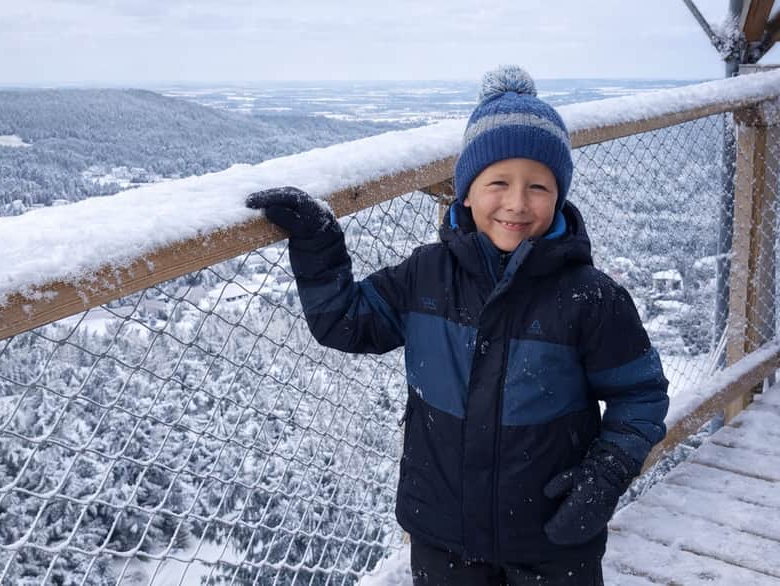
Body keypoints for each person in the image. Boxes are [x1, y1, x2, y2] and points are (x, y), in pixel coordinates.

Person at [246, 65, 669, 586]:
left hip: (552, 535)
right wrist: (317, 247)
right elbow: (346, 321)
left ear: (559, 195)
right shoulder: (425, 276)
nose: (517, 202)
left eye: (538, 185)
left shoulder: (590, 297)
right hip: (444, 534)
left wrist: (603, 477)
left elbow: (641, 395)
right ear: (466, 191)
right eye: (498, 182)